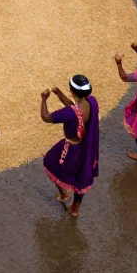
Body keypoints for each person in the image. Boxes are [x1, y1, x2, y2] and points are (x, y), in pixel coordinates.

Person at [40, 75, 100, 217]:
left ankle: (63, 193)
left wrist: (44, 99)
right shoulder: (92, 102)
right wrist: (59, 94)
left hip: (72, 148)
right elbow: (75, 108)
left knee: (49, 161)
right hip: (86, 146)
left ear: (72, 92)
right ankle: (75, 208)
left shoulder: (69, 113)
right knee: (82, 177)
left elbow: (46, 117)